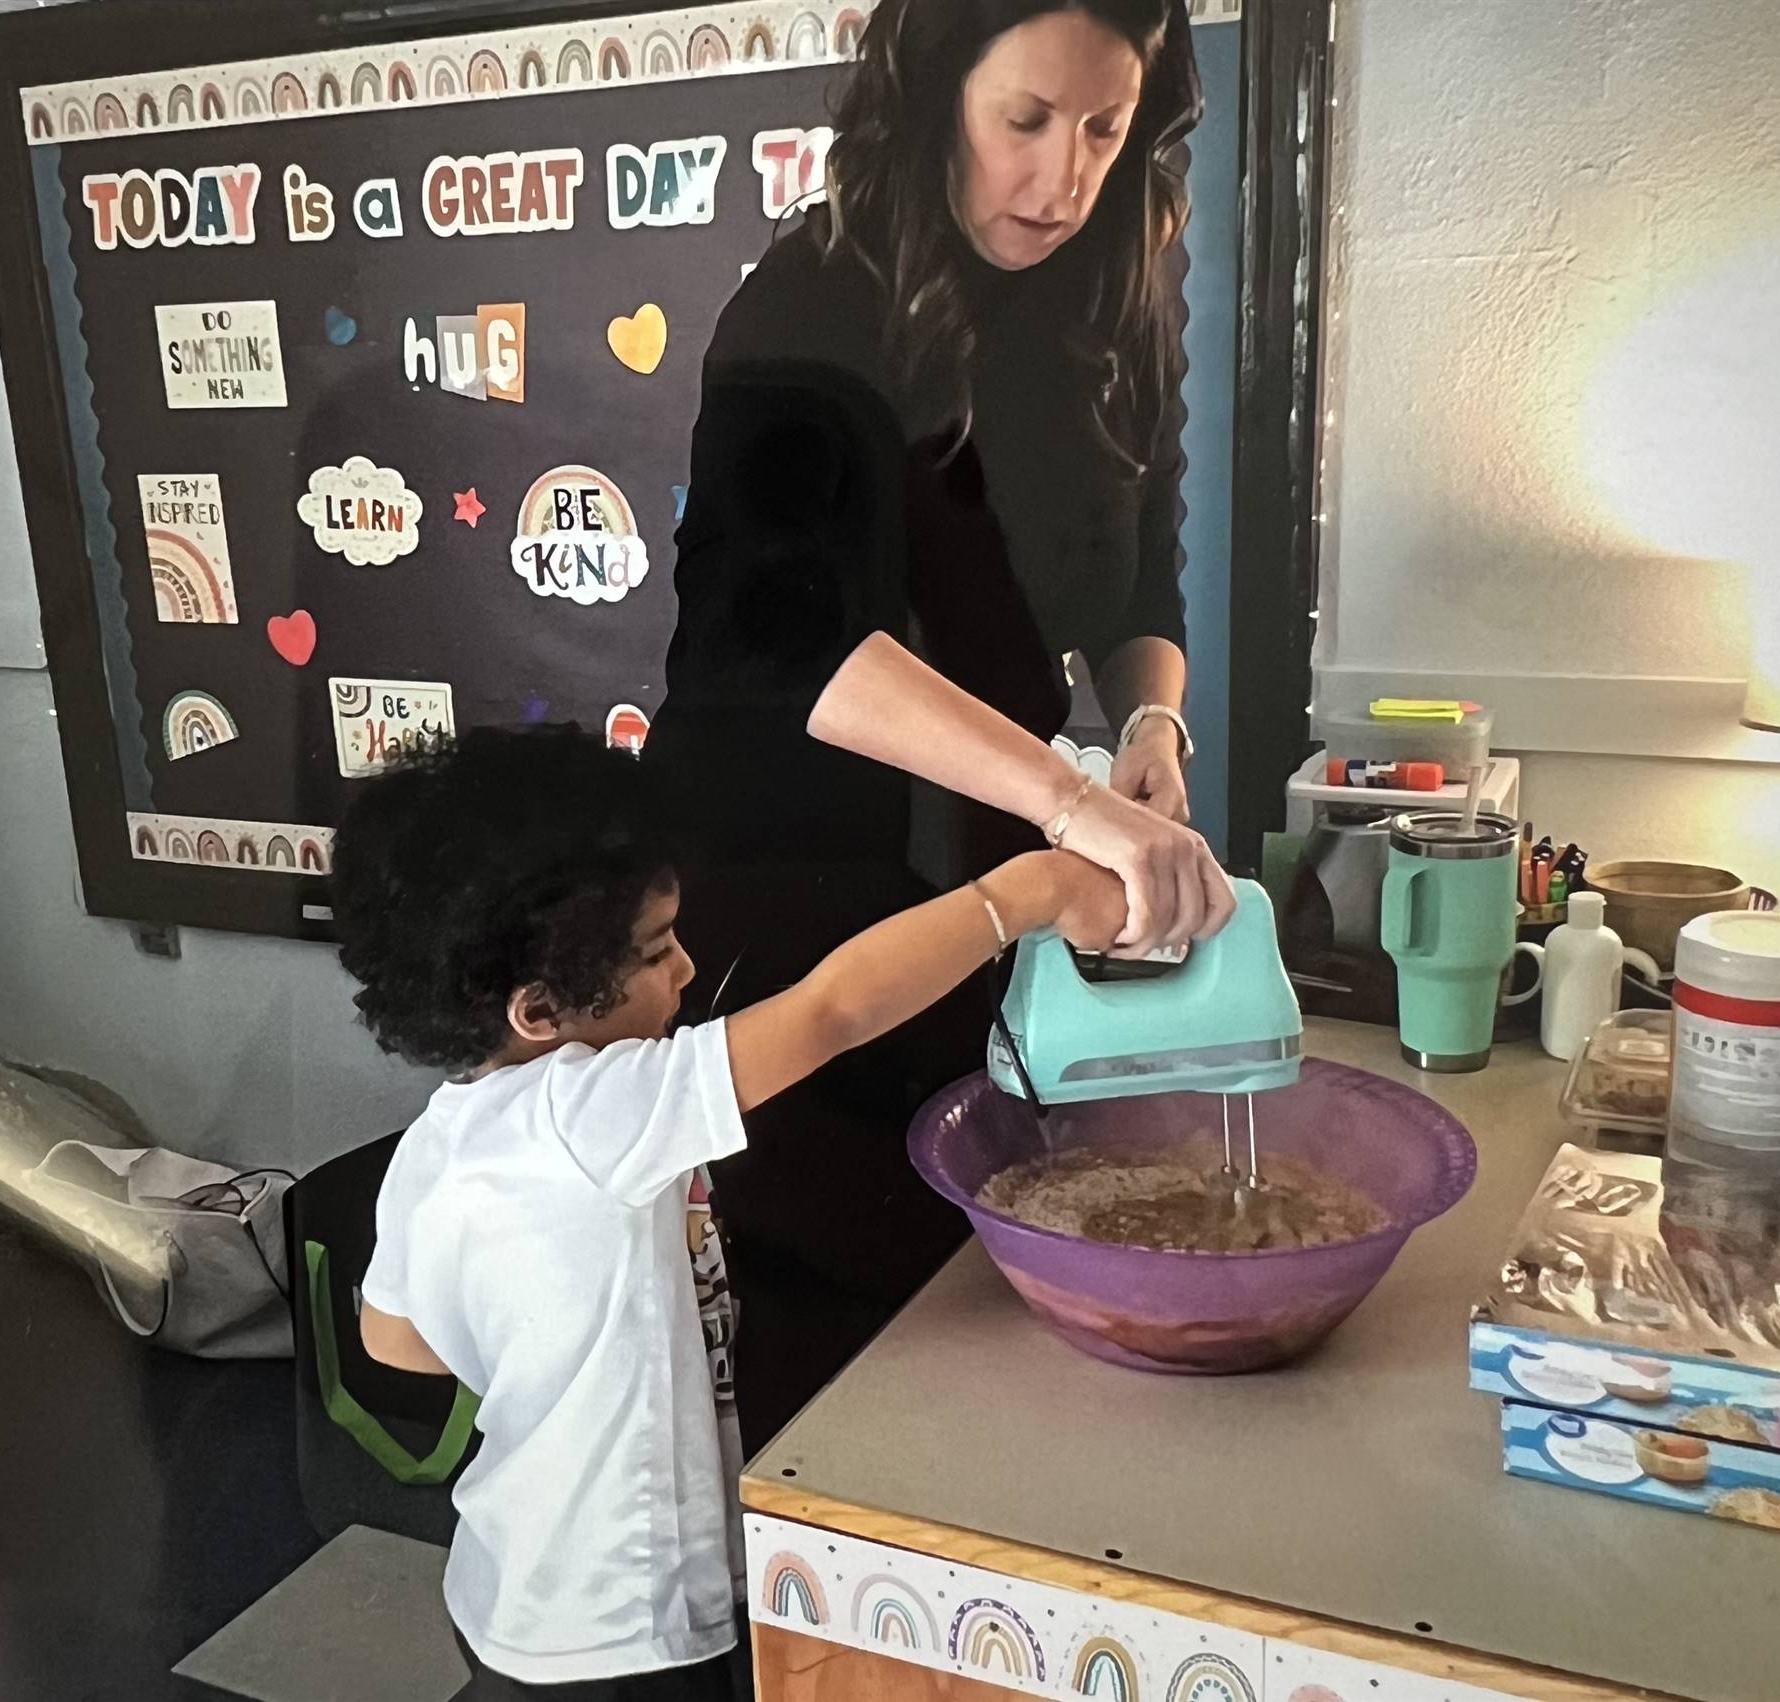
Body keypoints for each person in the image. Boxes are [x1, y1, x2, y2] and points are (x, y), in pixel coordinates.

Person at [644, 0, 1233, 1451]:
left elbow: (1138, 573)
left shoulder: (1115, 287)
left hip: (983, 842)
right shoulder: (810, 303)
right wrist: (1074, 803)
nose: (1066, 177)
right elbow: (775, 636)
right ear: (933, 94)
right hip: (781, 869)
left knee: (968, 1271)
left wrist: (1149, 719)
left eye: (1106, 129)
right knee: (817, 1304)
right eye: (1026, 121)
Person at [329, 726, 1125, 1699]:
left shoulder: (442, 1137)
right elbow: (834, 1008)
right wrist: (1031, 893)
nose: (688, 970)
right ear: (539, 1011)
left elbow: (396, 1341)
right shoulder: (596, 1110)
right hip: (629, 1626)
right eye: (657, 951)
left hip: (509, 1587)